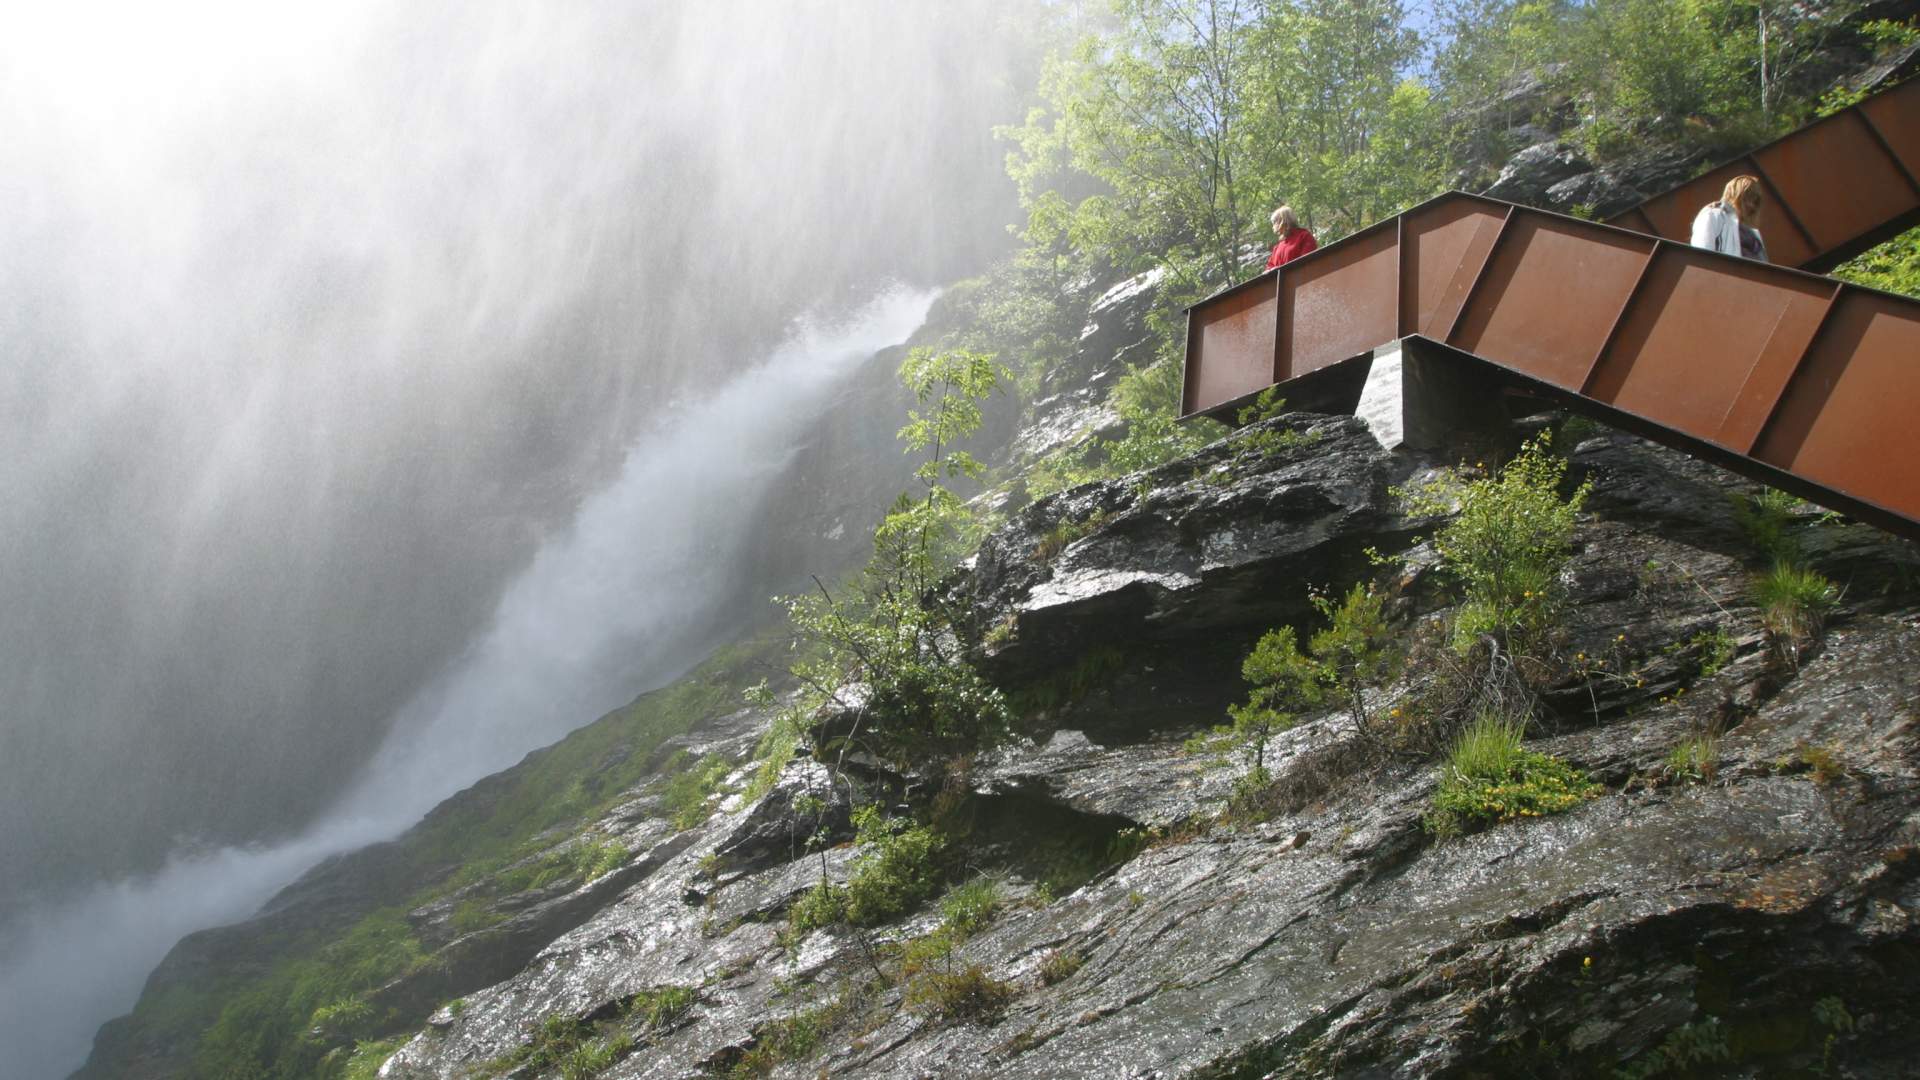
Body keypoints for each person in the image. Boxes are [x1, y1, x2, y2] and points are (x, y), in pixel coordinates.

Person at [1689, 175, 1768, 263]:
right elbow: (1701, 252)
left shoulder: (1754, 234)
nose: (1751, 205)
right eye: (1748, 197)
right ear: (1735, 194)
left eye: (1755, 201)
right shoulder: (1714, 215)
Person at [1266, 205, 1318, 270]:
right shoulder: (1277, 247)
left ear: (1282, 221)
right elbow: (1269, 267)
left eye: (1274, 223)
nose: (1273, 227)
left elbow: (1308, 262)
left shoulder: (1304, 236)